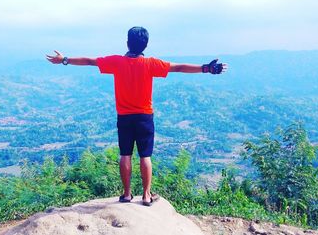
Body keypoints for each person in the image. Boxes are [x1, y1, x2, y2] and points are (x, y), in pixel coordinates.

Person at [46, 26, 227, 206]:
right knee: (145, 156)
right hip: (144, 117)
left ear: (127, 42)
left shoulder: (116, 62)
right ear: (146, 45)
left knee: (125, 154)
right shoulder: (150, 64)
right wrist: (207, 69)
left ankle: (126, 194)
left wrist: (65, 59)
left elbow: (89, 61)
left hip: (124, 116)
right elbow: (178, 67)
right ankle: (146, 195)